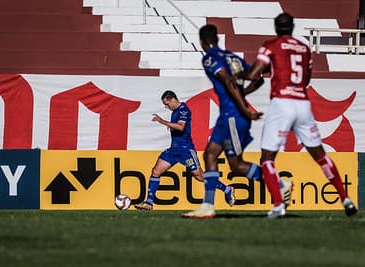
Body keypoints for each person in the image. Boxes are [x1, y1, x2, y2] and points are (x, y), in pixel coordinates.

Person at [244, 12, 357, 218]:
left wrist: (238, 75)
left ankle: (278, 204)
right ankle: (345, 198)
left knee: (267, 159)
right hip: (302, 103)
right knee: (320, 155)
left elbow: (253, 74)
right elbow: (306, 79)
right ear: (293, 26)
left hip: (282, 102)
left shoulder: (271, 45)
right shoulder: (304, 48)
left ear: (276, 27)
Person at [181, 24, 290, 219]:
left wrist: (244, 109)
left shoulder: (209, 58)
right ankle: (207, 206)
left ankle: (280, 184)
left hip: (233, 115)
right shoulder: (233, 57)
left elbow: (229, 83)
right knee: (210, 155)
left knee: (237, 166)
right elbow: (258, 79)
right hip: (227, 116)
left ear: (202, 42)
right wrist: (244, 94)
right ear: (218, 39)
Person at [134, 90, 235, 211]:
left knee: (199, 176)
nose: (166, 107)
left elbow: (181, 127)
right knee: (156, 171)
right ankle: (149, 203)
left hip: (185, 151)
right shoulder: (175, 112)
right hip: (173, 150)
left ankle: (227, 189)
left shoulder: (183, 110)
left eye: (167, 104)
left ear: (172, 99)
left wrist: (163, 121)